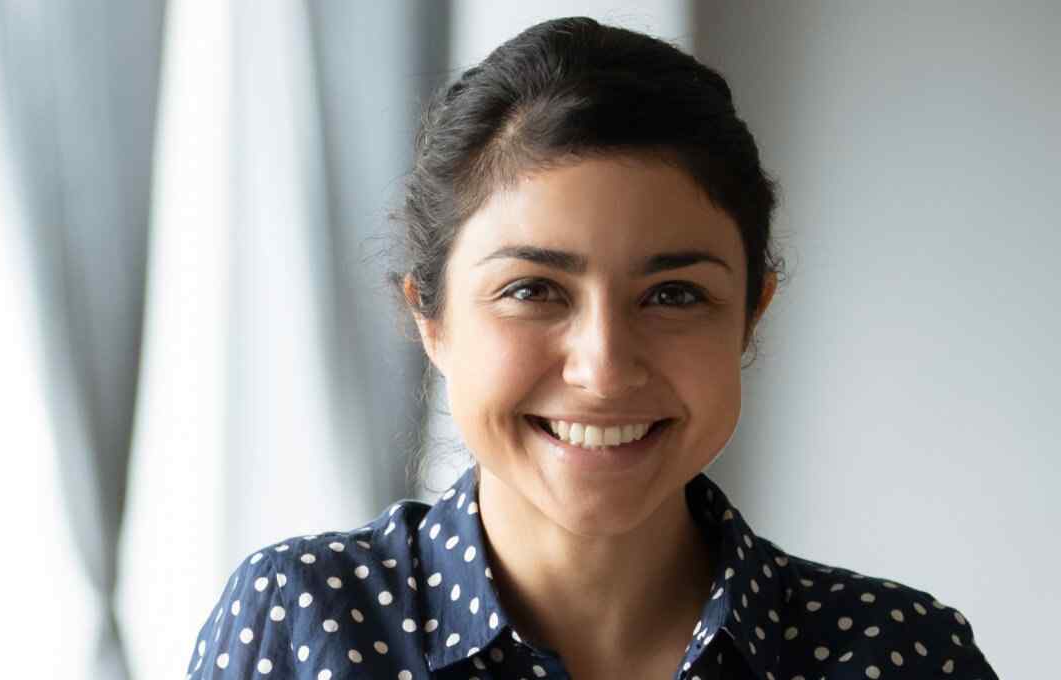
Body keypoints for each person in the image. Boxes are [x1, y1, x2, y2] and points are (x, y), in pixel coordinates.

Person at [185, 17, 996, 680]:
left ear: (751, 315)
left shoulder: (899, 656)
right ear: (431, 319)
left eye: (674, 295)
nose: (604, 367)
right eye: (533, 291)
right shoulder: (301, 626)